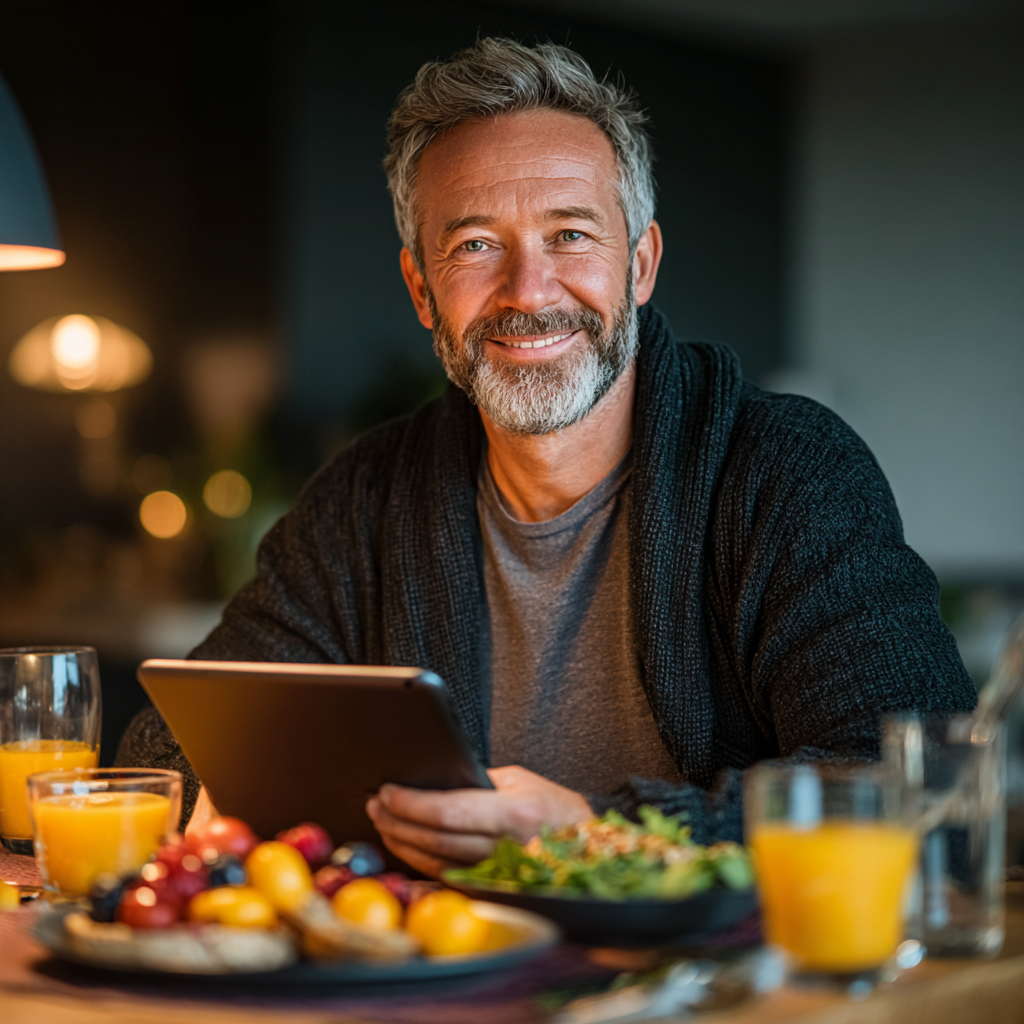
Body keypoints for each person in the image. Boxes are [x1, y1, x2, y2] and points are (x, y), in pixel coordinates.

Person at [117, 38, 975, 878]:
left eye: (570, 234)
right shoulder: (364, 496)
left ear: (639, 264)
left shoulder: (788, 471)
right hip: (444, 985)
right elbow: (169, 745)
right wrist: (219, 790)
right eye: (476, 246)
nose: (528, 292)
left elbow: (925, 793)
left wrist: (599, 832)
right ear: (423, 290)